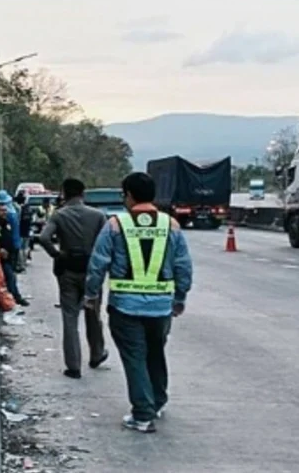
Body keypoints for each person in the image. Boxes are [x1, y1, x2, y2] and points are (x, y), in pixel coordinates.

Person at [85, 172, 192, 433]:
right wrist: (179, 298)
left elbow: (98, 264)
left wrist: (91, 294)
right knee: (156, 353)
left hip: (125, 306)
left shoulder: (115, 225)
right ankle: (157, 401)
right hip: (161, 307)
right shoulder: (171, 225)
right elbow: (183, 266)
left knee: (135, 357)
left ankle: (143, 414)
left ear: (129, 195)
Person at [37, 178, 109, 379]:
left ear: (63, 194)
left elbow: (43, 238)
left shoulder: (59, 216)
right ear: (83, 194)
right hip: (91, 271)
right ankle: (97, 354)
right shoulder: (98, 216)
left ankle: (73, 366)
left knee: (70, 318)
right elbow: (106, 244)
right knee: (93, 314)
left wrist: (57, 255)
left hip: (67, 271)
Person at [0, 191, 28, 306]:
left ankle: (13, 297)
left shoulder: (9, 216)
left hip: (12, 248)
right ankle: (14, 297)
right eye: (2, 209)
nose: (5, 210)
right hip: (4, 252)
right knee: (9, 275)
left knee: (10, 274)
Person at [15, 191, 32, 270]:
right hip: (27, 231)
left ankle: (21, 265)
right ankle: (24, 263)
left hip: (20, 231)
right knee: (25, 248)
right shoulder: (28, 208)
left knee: (20, 249)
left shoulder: (18, 209)